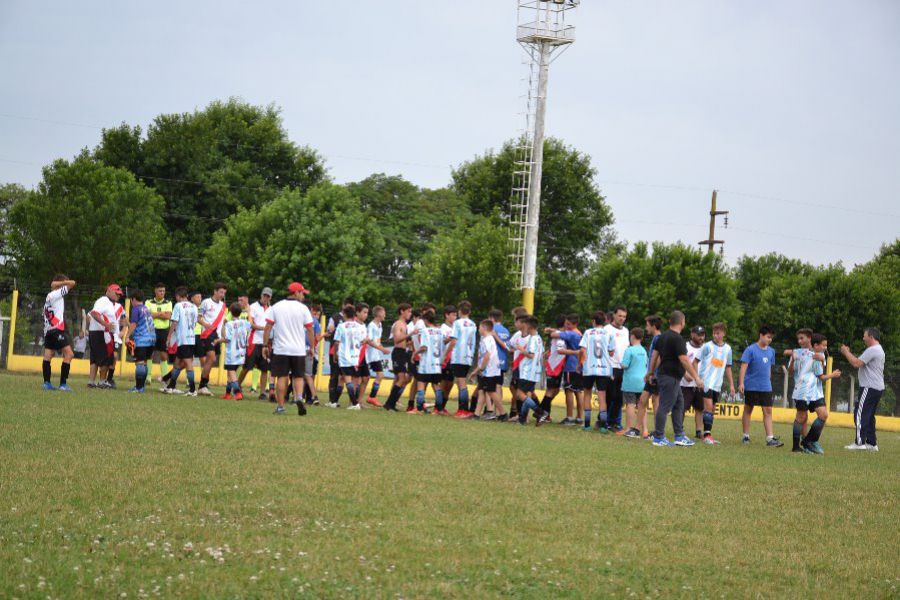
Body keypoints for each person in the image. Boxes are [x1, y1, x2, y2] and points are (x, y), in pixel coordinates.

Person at [648, 310, 704, 447]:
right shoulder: (678, 339)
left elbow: (655, 356)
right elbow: (684, 360)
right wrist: (696, 377)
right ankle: (659, 437)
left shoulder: (662, 337)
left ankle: (679, 436)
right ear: (682, 322)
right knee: (665, 406)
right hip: (670, 377)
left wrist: (650, 372)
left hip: (670, 377)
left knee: (679, 404)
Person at [263, 282, 315, 416]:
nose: (303, 296)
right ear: (296, 293)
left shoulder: (276, 306)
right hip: (298, 349)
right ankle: (298, 397)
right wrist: (313, 347)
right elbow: (310, 329)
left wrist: (264, 345)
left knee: (282, 377)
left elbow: (268, 327)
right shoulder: (303, 309)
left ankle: (280, 407)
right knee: (298, 376)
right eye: (302, 293)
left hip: (281, 349)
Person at [788, 332, 840, 454]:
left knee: (823, 415)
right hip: (803, 390)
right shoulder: (800, 353)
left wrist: (822, 359)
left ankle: (809, 441)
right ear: (815, 344)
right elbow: (821, 376)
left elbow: (820, 370)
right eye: (824, 345)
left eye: (802, 338)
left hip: (815, 392)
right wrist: (833, 374)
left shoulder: (819, 356)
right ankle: (796, 447)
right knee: (801, 417)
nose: (825, 347)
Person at [840, 328, 885, 451]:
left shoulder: (872, 350)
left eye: (864, 336)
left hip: (869, 387)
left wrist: (845, 352)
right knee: (869, 416)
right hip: (877, 387)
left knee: (859, 414)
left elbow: (856, 363)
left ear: (871, 336)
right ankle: (872, 443)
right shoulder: (879, 349)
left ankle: (859, 443)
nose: (863, 338)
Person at [738, 325, 783, 447]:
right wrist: (741, 383)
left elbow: (768, 368)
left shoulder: (771, 351)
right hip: (751, 385)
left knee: (768, 410)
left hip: (766, 387)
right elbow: (743, 367)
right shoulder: (750, 350)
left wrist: (769, 382)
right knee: (748, 409)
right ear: (761, 335)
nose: (770, 340)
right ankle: (746, 436)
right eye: (768, 337)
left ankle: (770, 438)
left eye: (771, 338)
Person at [694, 323, 734, 445]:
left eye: (718, 333)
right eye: (714, 333)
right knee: (708, 408)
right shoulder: (707, 346)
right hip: (706, 382)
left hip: (717, 384)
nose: (715, 335)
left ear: (723, 334)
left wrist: (731, 384)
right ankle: (706, 435)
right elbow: (695, 362)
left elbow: (728, 367)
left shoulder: (728, 349)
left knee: (712, 410)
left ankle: (708, 434)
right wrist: (697, 378)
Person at [41, 275, 77, 391]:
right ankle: (63, 384)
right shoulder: (56, 293)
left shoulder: (49, 297)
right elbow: (72, 283)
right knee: (69, 354)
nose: (65, 285)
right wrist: (64, 282)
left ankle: (47, 383)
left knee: (48, 355)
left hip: (49, 330)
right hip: (56, 329)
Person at [579, 311, 613, 433]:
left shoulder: (588, 332)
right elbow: (611, 352)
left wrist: (581, 364)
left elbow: (583, 350)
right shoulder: (608, 333)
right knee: (602, 396)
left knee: (587, 394)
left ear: (593, 321)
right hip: (604, 369)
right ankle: (603, 426)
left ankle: (587, 424)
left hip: (589, 368)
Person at [546, 314, 583, 425]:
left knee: (569, 391)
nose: (565, 326)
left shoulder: (570, 334)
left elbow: (553, 335)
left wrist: (551, 330)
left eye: (568, 324)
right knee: (578, 391)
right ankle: (579, 417)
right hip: (580, 365)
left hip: (571, 366)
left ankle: (569, 417)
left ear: (574, 324)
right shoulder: (579, 333)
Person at [331, 304, 369, 410]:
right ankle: (334, 402)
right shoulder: (358, 326)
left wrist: (335, 354)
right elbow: (363, 340)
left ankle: (354, 403)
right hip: (355, 357)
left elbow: (336, 342)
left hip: (344, 356)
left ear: (344, 314)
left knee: (347, 379)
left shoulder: (341, 326)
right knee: (351, 379)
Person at [239, 288, 273, 401]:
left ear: (270, 297)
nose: (266, 298)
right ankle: (237, 386)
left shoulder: (271, 309)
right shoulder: (253, 306)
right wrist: (265, 328)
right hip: (253, 341)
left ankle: (262, 393)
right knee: (247, 367)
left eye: (268, 296)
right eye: (264, 295)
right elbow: (251, 324)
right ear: (261, 295)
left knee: (264, 369)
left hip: (265, 342)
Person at [164, 287, 198, 396]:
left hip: (183, 339)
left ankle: (192, 389)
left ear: (178, 296)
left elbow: (174, 322)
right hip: (191, 338)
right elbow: (195, 323)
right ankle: (171, 386)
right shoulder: (194, 306)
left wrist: (169, 337)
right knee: (178, 363)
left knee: (188, 363)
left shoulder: (178, 306)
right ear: (187, 296)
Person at [470, 319, 506, 420]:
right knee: (482, 391)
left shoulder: (487, 340)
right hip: (487, 371)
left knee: (491, 392)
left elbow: (487, 356)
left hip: (489, 371)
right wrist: (476, 371)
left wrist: (481, 368)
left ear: (484, 328)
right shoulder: (487, 339)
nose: (478, 329)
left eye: (479, 327)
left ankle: (502, 413)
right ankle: (476, 414)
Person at [446, 300, 477, 417]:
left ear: (459, 311)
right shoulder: (473, 324)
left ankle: (463, 410)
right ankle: (463, 409)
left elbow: (453, 340)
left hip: (458, 356)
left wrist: (445, 354)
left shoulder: (457, 323)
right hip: (468, 356)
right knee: (461, 382)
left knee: (461, 382)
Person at [88, 284, 122, 388]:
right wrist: (106, 325)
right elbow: (94, 313)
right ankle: (102, 381)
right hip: (102, 333)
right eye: (117, 293)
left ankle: (91, 381)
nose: (118, 296)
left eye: (120, 295)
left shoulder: (109, 303)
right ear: (109, 290)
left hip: (96, 332)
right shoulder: (104, 301)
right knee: (106, 358)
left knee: (94, 358)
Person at [122, 289, 156, 393]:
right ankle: (141, 387)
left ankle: (138, 387)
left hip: (142, 340)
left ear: (133, 299)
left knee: (140, 363)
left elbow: (134, 325)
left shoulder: (136, 309)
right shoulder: (146, 309)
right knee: (144, 363)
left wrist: (127, 336)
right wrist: (128, 323)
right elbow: (139, 324)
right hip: (151, 340)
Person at [197, 283, 228, 396]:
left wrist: (224, 336)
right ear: (215, 291)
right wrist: (206, 325)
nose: (222, 294)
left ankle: (203, 384)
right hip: (207, 334)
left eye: (224, 293)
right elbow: (198, 318)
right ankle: (203, 385)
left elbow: (222, 323)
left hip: (217, 336)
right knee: (211, 357)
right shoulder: (206, 302)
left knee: (211, 360)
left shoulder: (223, 306)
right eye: (221, 292)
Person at [412, 309, 446, 414]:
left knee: (421, 385)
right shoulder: (440, 331)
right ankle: (439, 409)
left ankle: (419, 409)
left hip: (426, 363)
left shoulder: (425, 331)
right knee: (436, 386)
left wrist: (415, 353)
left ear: (426, 320)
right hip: (437, 364)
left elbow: (424, 347)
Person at [603, 306, 630, 432]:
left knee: (619, 397)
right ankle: (604, 421)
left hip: (623, 368)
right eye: (620, 316)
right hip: (610, 367)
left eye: (624, 316)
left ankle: (614, 422)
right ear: (614, 315)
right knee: (610, 396)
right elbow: (604, 349)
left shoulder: (626, 331)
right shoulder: (607, 329)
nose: (622, 319)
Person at [516, 317, 546, 426]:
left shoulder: (533, 339)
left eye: (526, 325)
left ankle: (540, 412)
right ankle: (522, 419)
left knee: (519, 394)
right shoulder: (538, 338)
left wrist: (522, 350)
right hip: (535, 371)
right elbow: (542, 354)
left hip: (528, 371)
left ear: (529, 326)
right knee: (526, 394)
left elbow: (531, 355)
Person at [325, 297, 355, 407]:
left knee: (344, 377)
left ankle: (336, 400)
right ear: (343, 305)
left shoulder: (354, 320)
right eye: (347, 306)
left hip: (348, 353)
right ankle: (331, 399)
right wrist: (330, 330)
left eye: (351, 307)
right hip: (335, 350)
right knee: (334, 375)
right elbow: (329, 330)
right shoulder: (335, 318)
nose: (349, 308)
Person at [383, 303, 413, 412]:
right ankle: (389, 404)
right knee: (401, 379)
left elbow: (403, 340)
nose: (410, 314)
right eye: (408, 311)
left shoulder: (404, 324)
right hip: (398, 353)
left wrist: (409, 344)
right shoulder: (398, 324)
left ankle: (390, 403)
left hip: (403, 352)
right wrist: (409, 335)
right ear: (402, 311)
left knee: (401, 379)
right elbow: (396, 340)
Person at [638, 315, 663, 440]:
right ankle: (642, 430)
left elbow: (658, 358)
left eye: (647, 325)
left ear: (653, 326)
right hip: (654, 375)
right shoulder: (656, 338)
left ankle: (657, 432)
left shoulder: (658, 339)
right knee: (645, 401)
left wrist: (651, 373)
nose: (646, 328)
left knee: (653, 402)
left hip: (655, 376)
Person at [220, 302, 252, 400]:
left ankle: (237, 393)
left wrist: (223, 324)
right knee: (230, 374)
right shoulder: (244, 322)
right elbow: (250, 323)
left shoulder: (229, 324)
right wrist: (249, 312)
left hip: (232, 353)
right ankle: (228, 393)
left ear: (230, 312)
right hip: (242, 352)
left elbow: (226, 338)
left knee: (231, 372)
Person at [621, 327, 648, 438]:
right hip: (642, 382)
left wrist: (620, 363)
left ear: (632, 336)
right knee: (642, 406)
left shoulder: (629, 350)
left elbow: (624, 365)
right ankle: (645, 430)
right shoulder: (643, 350)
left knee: (630, 405)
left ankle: (628, 428)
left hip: (630, 382)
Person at [540, 316, 567, 420]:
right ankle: (541, 411)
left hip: (557, 366)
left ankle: (545, 412)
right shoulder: (558, 335)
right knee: (551, 390)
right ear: (565, 324)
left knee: (555, 390)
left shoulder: (561, 334)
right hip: (553, 366)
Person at [680, 326, 706, 439]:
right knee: (682, 408)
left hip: (700, 384)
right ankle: (679, 428)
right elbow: (679, 361)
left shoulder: (706, 347)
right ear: (692, 334)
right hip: (685, 384)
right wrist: (685, 375)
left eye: (703, 335)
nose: (701, 337)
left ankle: (699, 431)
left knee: (700, 408)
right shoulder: (685, 346)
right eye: (699, 335)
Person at [363, 305, 389, 408]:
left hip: (375, 355)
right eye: (384, 313)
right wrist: (382, 349)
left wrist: (382, 349)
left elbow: (377, 341)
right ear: (378, 314)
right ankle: (363, 398)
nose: (385, 315)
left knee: (380, 375)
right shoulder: (371, 326)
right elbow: (369, 341)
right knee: (363, 378)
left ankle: (372, 397)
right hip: (369, 355)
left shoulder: (380, 325)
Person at [146, 284, 172, 382]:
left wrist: (155, 314)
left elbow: (168, 316)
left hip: (164, 331)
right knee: (149, 353)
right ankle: (148, 377)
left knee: (163, 355)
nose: (162, 293)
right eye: (160, 291)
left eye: (163, 291)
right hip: (151, 330)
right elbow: (147, 315)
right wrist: (161, 314)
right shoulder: (148, 302)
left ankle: (165, 377)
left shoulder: (168, 302)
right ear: (155, 291)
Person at [302, 303, 324, 405]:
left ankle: (298, 397)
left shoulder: (301, 320)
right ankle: (314, 396)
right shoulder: (315, 322)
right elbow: (318, 337)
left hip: (298, 350)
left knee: (298, 375)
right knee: (308, 375)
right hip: (309, 350)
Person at [438, 305, 458, 413]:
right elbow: (442, 342)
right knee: (443, 383)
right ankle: (439, 407)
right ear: (446, 315)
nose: (455, 317)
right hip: (445, 357)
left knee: (450, 384)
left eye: (456, 315)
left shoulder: (456, 327)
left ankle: (443, 406)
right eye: (453, 315)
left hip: (454, 358)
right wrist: (450, 339)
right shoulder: (443, 328)